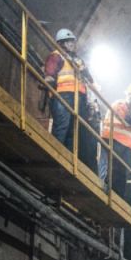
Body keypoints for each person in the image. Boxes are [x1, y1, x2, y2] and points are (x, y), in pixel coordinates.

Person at [43, 28, 95, 167]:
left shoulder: (78, 60)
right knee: (62, 126)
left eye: (72, 41)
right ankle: (54, 156)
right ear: (61, 43)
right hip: (63, 96)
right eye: (68, 41)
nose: (72, 44)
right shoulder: (56, 56)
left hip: (79, 98)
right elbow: (49, 74)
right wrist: (49, 84)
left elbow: (89, 80)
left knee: (74, 131)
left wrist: (85, 72)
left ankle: (67, 160)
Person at [99, 83, 131, 199]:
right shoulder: (120, 104)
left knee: (120, 172)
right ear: (130, 96)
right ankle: (103, 188)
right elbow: (127, 119)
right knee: (109, 166)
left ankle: (117, 196)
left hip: (124, 145)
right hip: (112, 139)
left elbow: (130, 120)